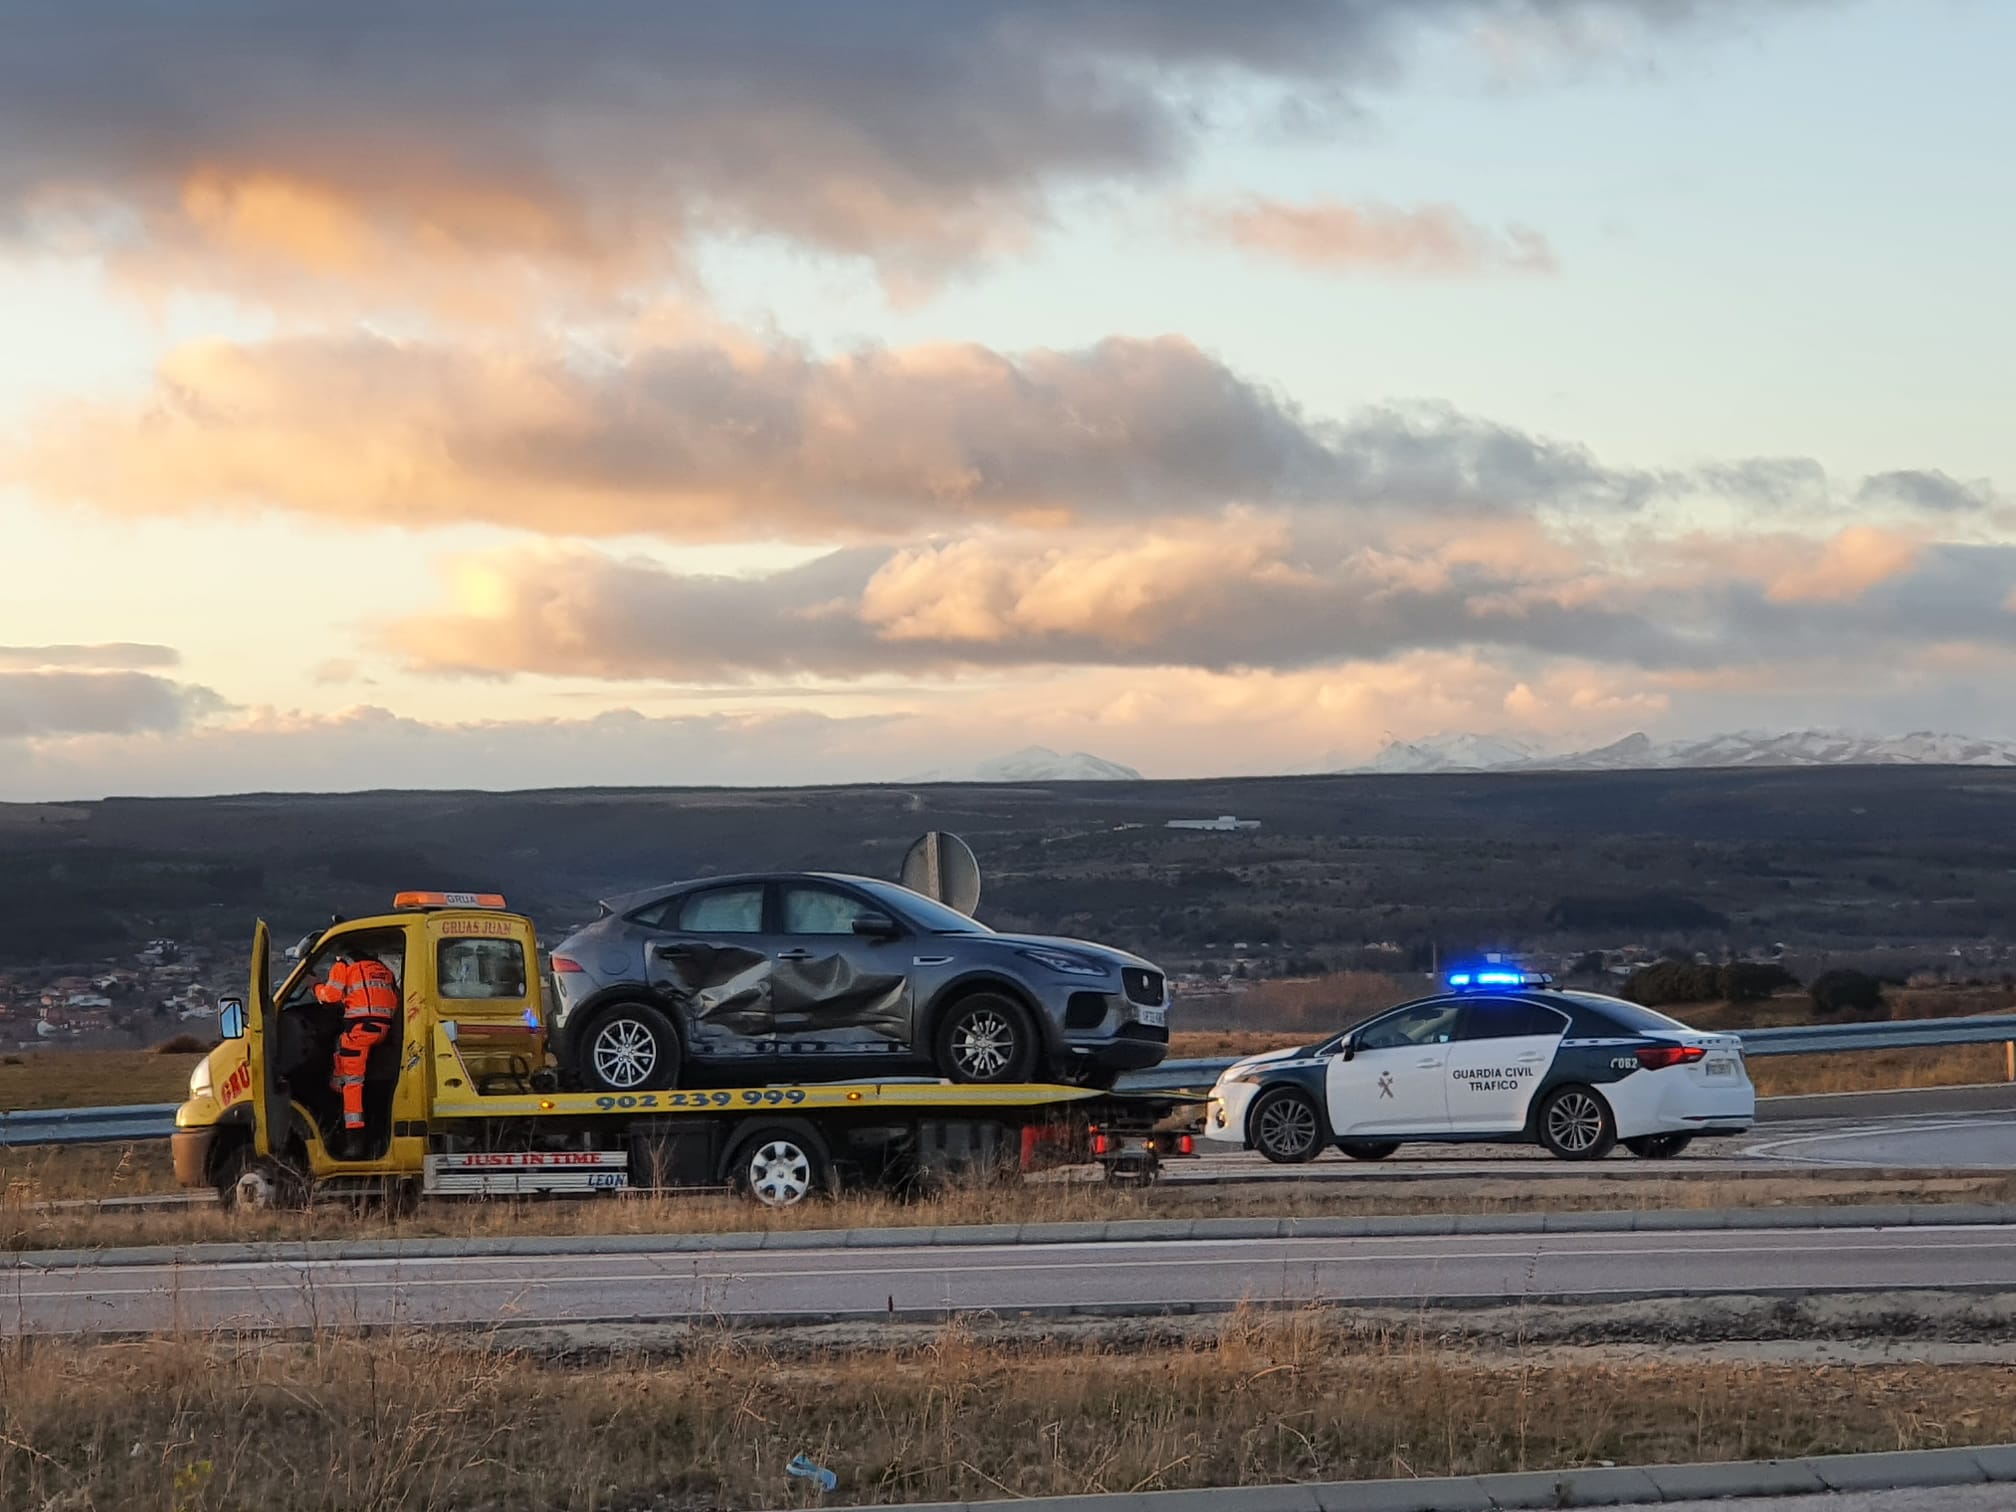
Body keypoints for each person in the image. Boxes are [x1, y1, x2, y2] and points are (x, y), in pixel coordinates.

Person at [314, 947, 399, 1148]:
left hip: (360, 1031)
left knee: (352, 1082)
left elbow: (331, 996)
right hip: (383, 1030)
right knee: (342, 1054)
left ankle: (354, 1137)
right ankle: (337, 1091)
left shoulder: (343, 965)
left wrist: (315, 986)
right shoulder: (383, 970)